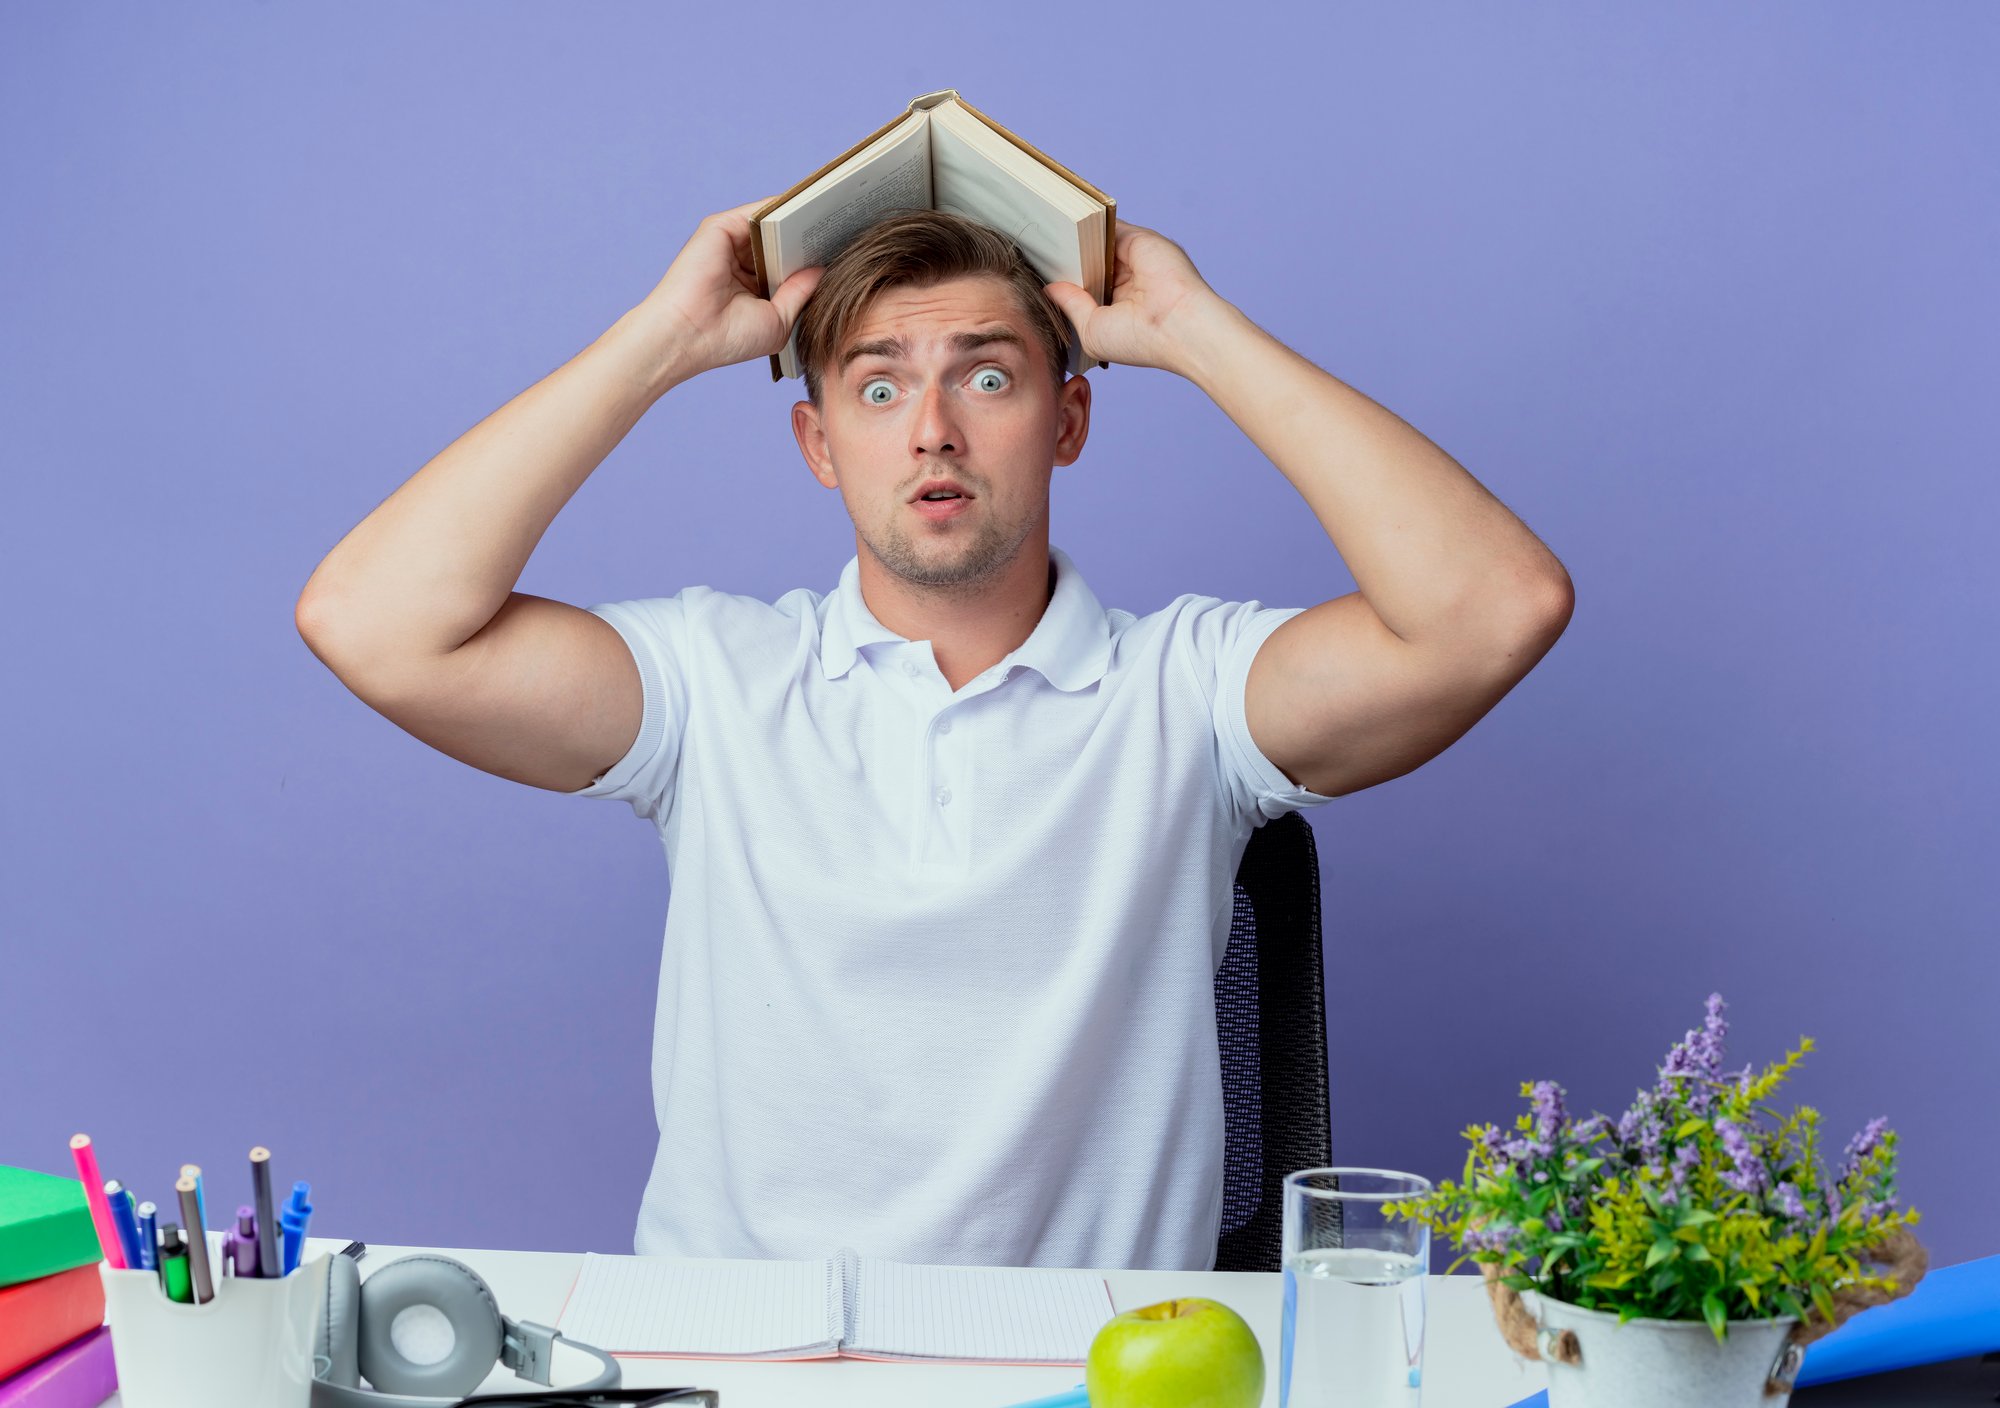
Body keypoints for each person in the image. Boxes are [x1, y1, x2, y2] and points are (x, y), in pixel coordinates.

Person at [294, 197, 1574, 1271]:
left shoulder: (1184, 691)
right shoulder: (712, 683)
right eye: (876, 384)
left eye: (986, 373)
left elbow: (1493, 609)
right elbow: (373, 621)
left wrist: (1192, 329)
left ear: (1067, 422)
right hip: (749, 1370)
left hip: (1086, 1373)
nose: (931, 430)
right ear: (817, 443)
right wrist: (665, 339)